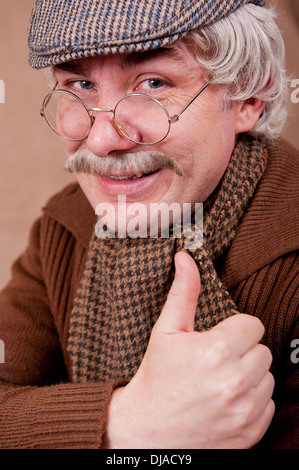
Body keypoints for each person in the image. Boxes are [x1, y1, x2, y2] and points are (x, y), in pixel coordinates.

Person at [0, 0, 298, 449]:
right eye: (80, 84)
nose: (101, 140)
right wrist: (124, 425)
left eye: (153, 83)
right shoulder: (66, 227)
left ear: (248, 98)